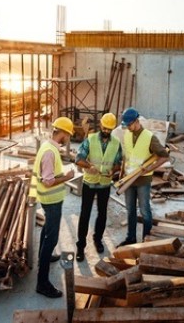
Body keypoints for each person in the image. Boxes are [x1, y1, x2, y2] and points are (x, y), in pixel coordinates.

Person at [33, 116, 75, 298]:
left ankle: (45, 256)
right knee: (52, 237)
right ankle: (42, 283)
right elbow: (48, 181)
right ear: (63, 133)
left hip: (49, 199)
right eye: (69, 135)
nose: (69, 138)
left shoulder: (48, 146)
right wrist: (68, 177)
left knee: (47, 231)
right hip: (51, 200)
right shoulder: (50, 152)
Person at [117, 107, 170, 246]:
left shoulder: (149, 137)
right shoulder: (127, 134)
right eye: (126, 125)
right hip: (129, 179)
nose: (128, 127)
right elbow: (126, 157)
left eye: (129, 125)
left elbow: (164, 156)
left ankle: (147, 241)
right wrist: (122, 177)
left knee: (145, 211)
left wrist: (149, 168)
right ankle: (131, 238)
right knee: (130, 211)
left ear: (136, 121)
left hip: (142, 180)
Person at [75, 112, 123, 262]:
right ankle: (80, 246)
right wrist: (89, 166)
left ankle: (98, 239)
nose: (107, 131)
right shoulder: (90, 140)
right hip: (89, 182)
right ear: (101, 125)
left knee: (102, 214)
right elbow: (78, 159)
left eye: (110, 129)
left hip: (104, 184)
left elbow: (118, 163)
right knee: (85, 214)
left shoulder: (116, 143)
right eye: (105, 128)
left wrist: (113, 170)